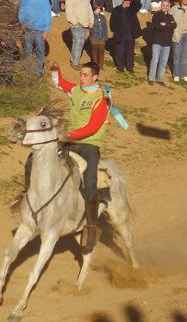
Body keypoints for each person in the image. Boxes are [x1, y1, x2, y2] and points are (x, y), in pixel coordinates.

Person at [49, 61, 110, 252]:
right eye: (81, 74)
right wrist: (54, 69)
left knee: (90, 184)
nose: (81, 78)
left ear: (95, 77)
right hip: (70, 142)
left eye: (85, 75)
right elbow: (60, 83)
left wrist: (68, 135)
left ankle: (91, 227)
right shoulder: (76, 90)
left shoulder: (101, 98)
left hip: (90, 146)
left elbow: (92, 127)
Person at [19, 0, 52, 77]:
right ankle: (27, 71)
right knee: (27, 51)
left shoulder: (44, 0)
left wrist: (46, 30)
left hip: (40, 30)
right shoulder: (26, 0)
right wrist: (22, 21)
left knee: (40, 51)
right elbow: (21, 12)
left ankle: (38, 72)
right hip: (28, 30)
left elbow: (48, 16)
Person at [0, 0, 20, 86]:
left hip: (11, 36)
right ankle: (2, 82)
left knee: (11, 59)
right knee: (6, 60)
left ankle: (8, 80)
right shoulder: (1, 7)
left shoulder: (12, 7)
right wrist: (1, 39)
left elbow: (15, 23)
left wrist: (17, 38)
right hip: (4, 37)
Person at [66, 0, 94, 68]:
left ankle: (75, 60)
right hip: (77, 24)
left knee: (80, 43)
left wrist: (91, 21)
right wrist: (75, 22)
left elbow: (89, 10)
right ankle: (75, 63)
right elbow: (69, 10)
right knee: (78, 42)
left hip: (85, 25)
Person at [109, 0, 141, 72]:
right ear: (123, 0)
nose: (128, 2)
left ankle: (130, 67)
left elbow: (139, 5)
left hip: (130, 34)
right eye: (126, 0)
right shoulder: (116, 9)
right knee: (119, 51)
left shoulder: (132, 9)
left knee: (130, 51)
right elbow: (112, 21)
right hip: (120, 34)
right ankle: (120, 67)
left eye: (129, 1)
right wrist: (114, 30)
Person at [147, 0, 176, 85]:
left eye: (167, 5)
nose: (165, 7)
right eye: (164, 5)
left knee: (163, 62)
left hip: (167, 43)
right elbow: (157, 27)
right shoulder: (156, 15)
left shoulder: (170, 16)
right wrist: (168, 26)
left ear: (169, 7)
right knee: (155, 60)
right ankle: (151, 78)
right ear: (161, 5)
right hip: (157, 41)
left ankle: (160, 79)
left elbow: (174, 25)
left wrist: (166, 25)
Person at [169, 0, 187, 82]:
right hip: (178, 34)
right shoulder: (174, 8)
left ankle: (184, 74)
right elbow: (169, 19)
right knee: (176, 55)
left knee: (185, 56)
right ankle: (176, 74)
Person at [89, 3, 108, 69]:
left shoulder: (103, 17)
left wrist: (105, 37)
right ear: (94, 9)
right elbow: (89, 27)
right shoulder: (91, 16)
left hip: (102, 37)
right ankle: (95, 66)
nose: (98, 10)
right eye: (97, 8)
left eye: (99, 8)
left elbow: (105, 27)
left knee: (101, 52)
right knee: (94, 52)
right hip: (94, 36)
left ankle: (101, 66)